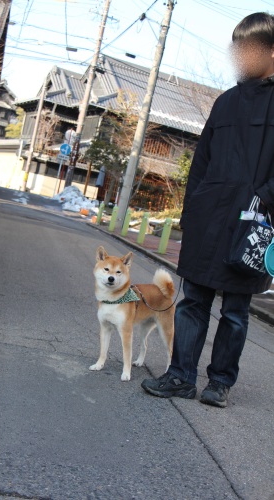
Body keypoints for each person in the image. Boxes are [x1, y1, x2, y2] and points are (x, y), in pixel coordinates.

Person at [141, 12, 274, 408]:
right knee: (193, 301)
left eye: (249, 47)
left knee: (235, 310)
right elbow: (200, 161)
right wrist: (191, 210)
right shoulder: (225, 101)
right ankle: (180, 376)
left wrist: (265, 197)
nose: (241, 56)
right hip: (209, 217)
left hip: (252, 221)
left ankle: (220, 382)